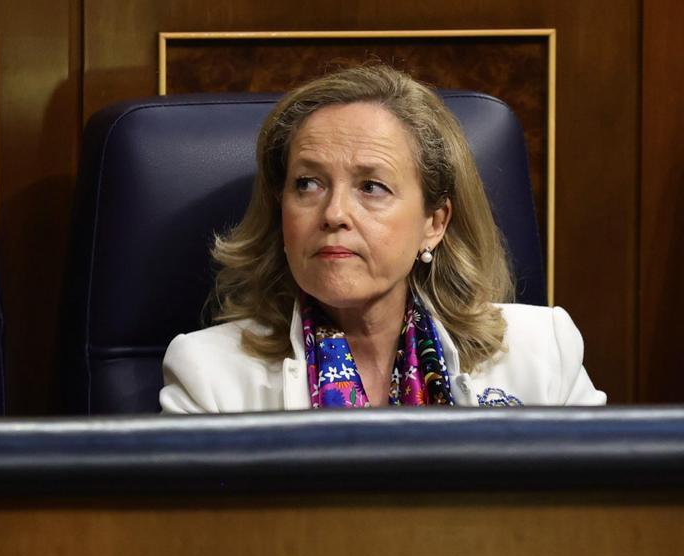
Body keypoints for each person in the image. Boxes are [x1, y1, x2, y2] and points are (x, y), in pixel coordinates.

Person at [160, 64, 605, 412]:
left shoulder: (544, 353)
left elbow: (603, 522)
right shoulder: (209, 379)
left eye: (372, 187)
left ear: (434, 222)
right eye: (307, 184)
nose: (334, 214)